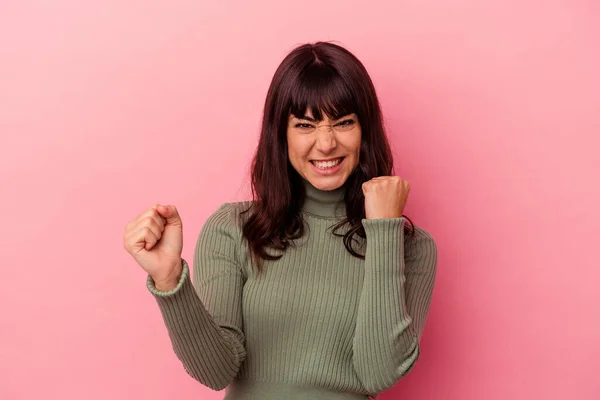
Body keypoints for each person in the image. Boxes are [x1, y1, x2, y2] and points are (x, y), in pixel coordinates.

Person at [123, 41, 438, 400]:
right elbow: (216, 371)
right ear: (281, 134)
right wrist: (168, 281)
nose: (326, 143)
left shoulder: (411, 247)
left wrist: (383, 230)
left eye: (344, 122)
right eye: (305, 124)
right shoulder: (234, 228)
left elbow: (377, 372)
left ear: (365, 130)